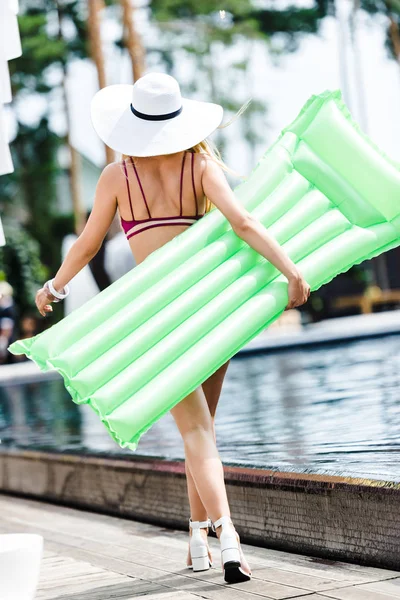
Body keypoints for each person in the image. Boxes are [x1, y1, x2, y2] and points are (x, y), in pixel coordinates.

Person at [35, 73, 310, 584]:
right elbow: (244, 222)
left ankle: (225, 538)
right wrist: (289, 268)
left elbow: (88, 244)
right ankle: (201, 539)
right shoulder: (201, 165)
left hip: (159, 316)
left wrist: (54, 286)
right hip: (210, 308)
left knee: (196, 431)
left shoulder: (117, 177)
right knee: (202, 430)